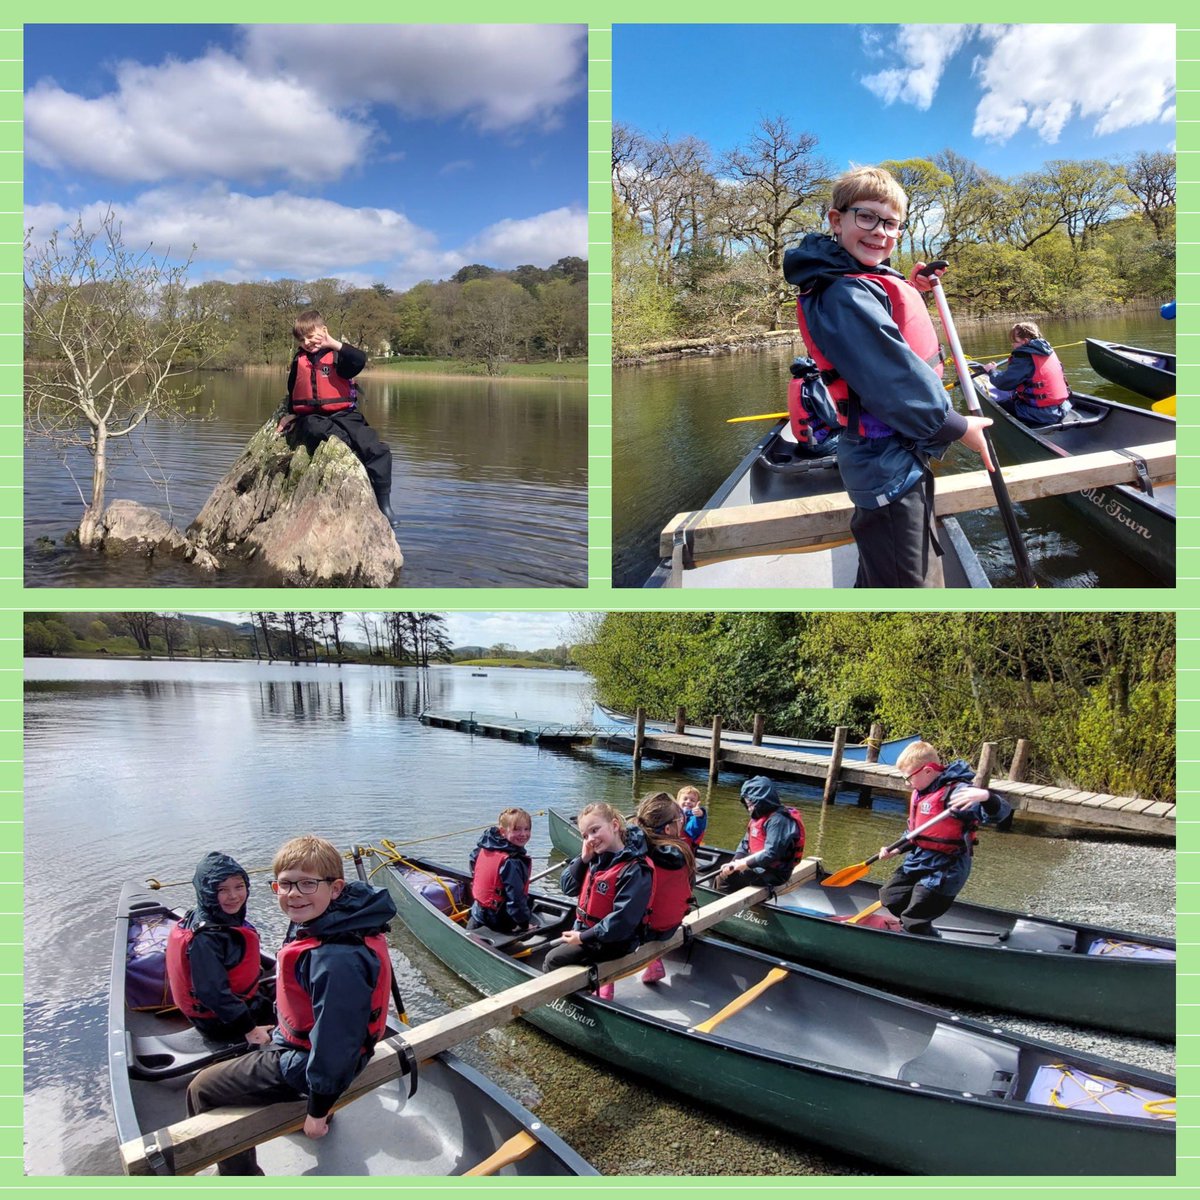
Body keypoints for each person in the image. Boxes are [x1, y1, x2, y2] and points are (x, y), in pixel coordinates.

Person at [782, 166, 995, 588]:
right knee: (903, 588)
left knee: (888, 571)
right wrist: (956, 426)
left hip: (893, 453)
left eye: (891, 223)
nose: (880, 232)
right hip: (885, 461)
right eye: (866, 217)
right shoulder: (841, 293)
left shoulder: (855, 278)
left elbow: (882, 306)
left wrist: (910, 285)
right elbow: (895, 379)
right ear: (835, 219)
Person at [185, 835, 397, 1175]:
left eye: (308, 884)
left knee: (203, 1088)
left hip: (309, 1062)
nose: (294, 894)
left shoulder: (336, 959)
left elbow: (337, 1043)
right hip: (308, 1047)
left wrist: (317, 1110)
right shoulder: (335, 919)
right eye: (285, 885)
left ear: (337, 887)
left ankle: (240, 1181)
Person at [276, 309, 398, 528]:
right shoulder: (299, 360)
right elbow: (293, 386)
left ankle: (385, 505)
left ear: (324, 331)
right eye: (302, 340)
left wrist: (333, 343)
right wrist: (291, 413)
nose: (307, 342)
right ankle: (350, 450)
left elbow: (359, 360)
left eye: (312, 336)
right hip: (313, 416)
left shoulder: (338, 355)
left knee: (377, 449)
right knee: (314, 428)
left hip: (345, 414)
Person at [879, 742, 1013, 936]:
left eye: (908, 777)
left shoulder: (957, 794)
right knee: (890, 897)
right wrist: (897, 849)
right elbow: (915, 831)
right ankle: (917, 926)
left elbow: (1001, 813)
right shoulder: (921, 792)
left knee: (915, 915)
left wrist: (986, 797)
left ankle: (920, 933)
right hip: (920, 860)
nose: (907, 783)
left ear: (927, 771)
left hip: (946, 868)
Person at [542, 802, 651, 1000]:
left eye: (595, 830)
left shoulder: (634, 869)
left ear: (615, 825)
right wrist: (583, 859)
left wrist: (582, 938)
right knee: (559, 939)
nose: (590, 839)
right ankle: (588, 986)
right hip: (591, 932)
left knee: (552, 960)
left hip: (615, 941)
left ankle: (578, 1004)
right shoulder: (596, 857)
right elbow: (568, 888)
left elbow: (622, 921)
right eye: (585, 836)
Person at [165, 851, 273, 1045]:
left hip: (233, 1003)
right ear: (207, 893)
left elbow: (241, 948)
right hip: (219, 1022)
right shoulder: (205, 940)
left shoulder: (217, 917)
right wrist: (250, 1029)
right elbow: (212, 993)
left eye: (239, 887)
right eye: (222, 890)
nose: (233, 896)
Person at [630, 792, 696, 985]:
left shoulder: (634, 854)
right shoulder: (684, 852)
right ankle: (654, 964)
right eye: (680, 820)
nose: (682, 823)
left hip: (645, 930)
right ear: (668, 829)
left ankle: (605, 986)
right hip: (671, 925)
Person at [716, 776, 805, 893]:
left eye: (751, 804)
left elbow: (772, 853)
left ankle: (724, 907)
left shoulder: (778, 820)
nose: (749, 808)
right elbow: (745, 844)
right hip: (760, 867)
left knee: (724, 878)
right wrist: (734, 862)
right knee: (727, 871)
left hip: (775, 874)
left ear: (762, 801)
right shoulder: (759, 817)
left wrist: (745, 864)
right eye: (747, 804)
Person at [981, 322, 1071, 427]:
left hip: (1044, 414)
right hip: (1063, 407)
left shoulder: (1024, 356)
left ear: (1025, 341)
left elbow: (1003, 383)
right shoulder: (1046, 350)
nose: (1012, 344)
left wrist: (991, 371)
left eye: (1015, 341)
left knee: (999, 405)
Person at [467, 807, 534, 934]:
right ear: (503, 831)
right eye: (516, 829)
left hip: (478, 911)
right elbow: (516, 900)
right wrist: (524, 925)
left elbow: (472, 862)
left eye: (527, 829)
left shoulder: (483, 848)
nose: (523, 834)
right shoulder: (511, 862)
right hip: (497, 920)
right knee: (525, 904)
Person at [675, 785, 708, 850]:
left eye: (692, 800)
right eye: (685, 799)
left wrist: (700, 815)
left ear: (696, 804)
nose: (688, 802)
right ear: (677, 801)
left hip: (685, 851)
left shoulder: (694, 817)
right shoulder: (672, 813)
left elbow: (695, 827)